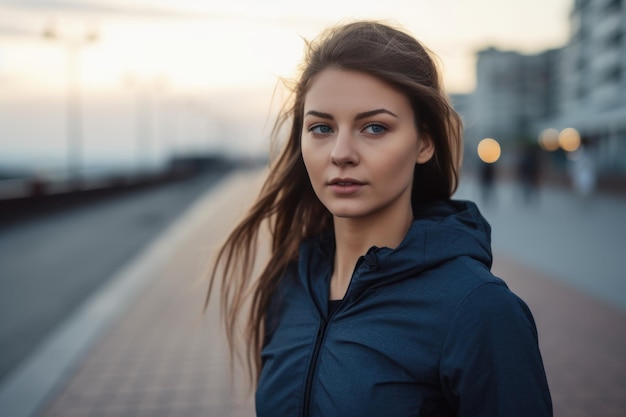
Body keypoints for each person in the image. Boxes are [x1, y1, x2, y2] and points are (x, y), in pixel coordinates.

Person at [206, 20, 552, 417]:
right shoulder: (289, 286)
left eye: (374, 127)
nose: (341, 152)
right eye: (321, 127)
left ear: (424, 142)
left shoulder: (480, 311)